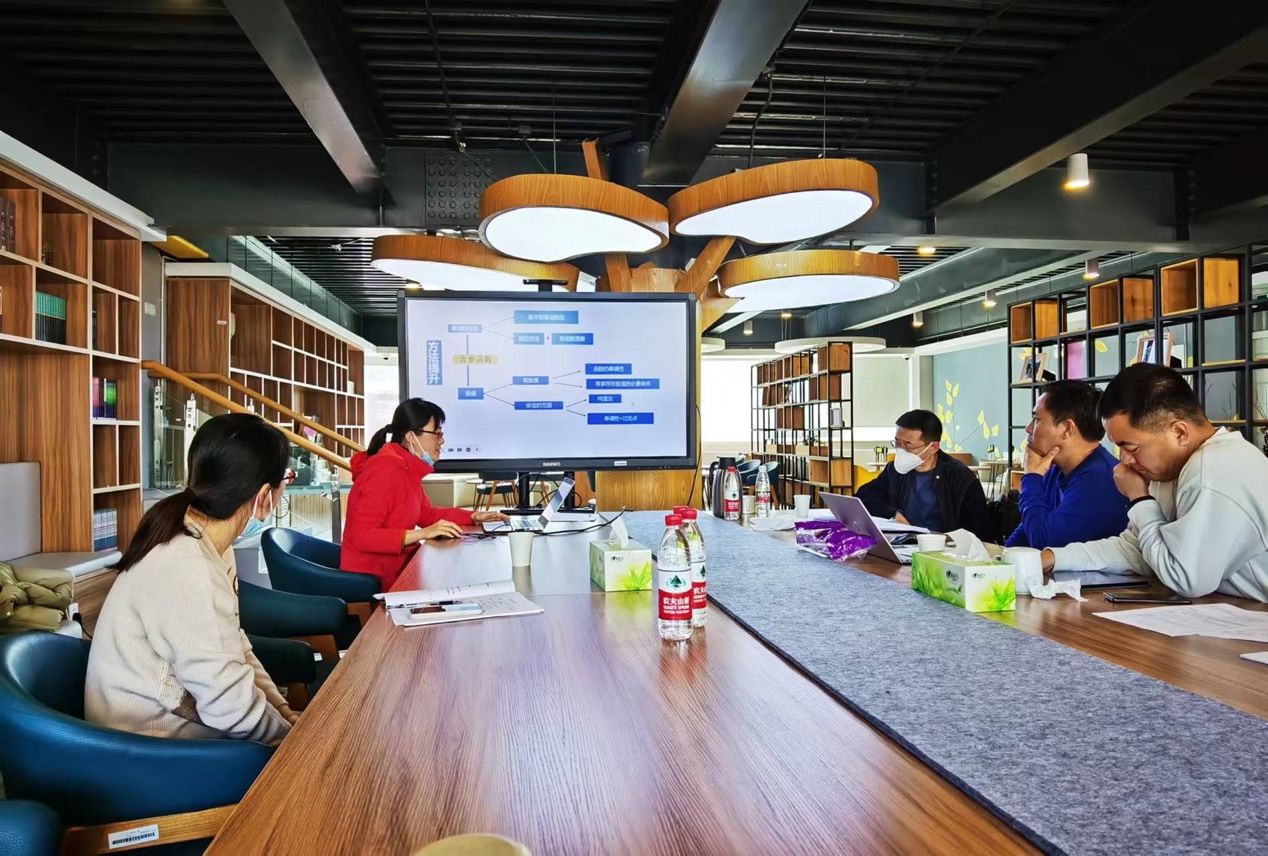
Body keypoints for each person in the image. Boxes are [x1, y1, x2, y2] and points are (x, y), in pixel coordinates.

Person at [85, 413, 296, 746]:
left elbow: (233, 648)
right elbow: (230, 705)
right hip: (150, 750)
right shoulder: (189, 566)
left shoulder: (202, 540)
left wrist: (283, 711)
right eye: (287, 477)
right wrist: (294, 740)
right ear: (264, 497)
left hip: (179, 730)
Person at [1041, 363, 1268, 601]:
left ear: (1179, 432)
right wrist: (1053, 558)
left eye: (1131, 448)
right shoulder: (1169, 469)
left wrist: (1140, 499)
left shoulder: (1215, 469)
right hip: (1228, 607)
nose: (1124, 461)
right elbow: (1140, 550)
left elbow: (1185, 578)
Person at [341, 399, 509, 588]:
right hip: (376, 580)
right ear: (411, 437)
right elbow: (362, 535)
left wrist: (474, 516)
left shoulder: (404, 467)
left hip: (399, 569)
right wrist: (422, 533)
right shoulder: (384, 470)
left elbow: (425, 513)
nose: (442, 440)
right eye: (437, 434)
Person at [1005, 380, 1128, 548]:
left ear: (1067, 428)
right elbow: (1028, 529)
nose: (1029, 428)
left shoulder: (1100, 479)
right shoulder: (1057, 469)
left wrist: (1032, 477)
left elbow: (1043, 543)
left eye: (1037, 419)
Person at [856, 409, 991, 540]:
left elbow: (979, 531)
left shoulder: (960, 477)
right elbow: (864, 497)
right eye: (897, 442)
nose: (901, 449)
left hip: (943, 547)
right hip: (902, 543)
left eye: (908, 445)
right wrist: (893, 514)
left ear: (933, 448)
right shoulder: (896, 471)